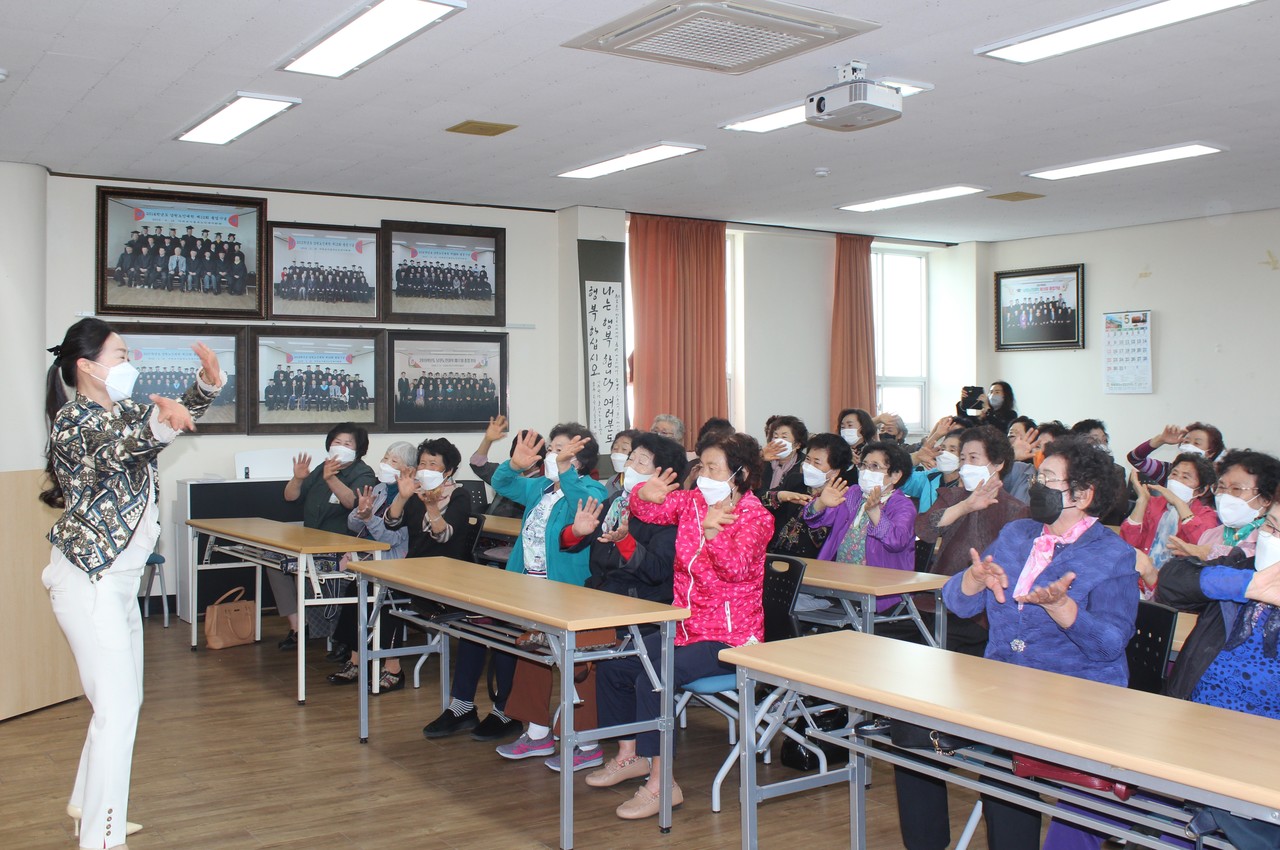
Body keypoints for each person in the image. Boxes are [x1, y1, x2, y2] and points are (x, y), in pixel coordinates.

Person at [40, 318, 225, 848]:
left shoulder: (118, 413)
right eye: (120, 355)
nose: (128, 364)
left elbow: (159, 422)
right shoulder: (75, 420)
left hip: (117, 582)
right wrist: (160, 427)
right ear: (87, 365)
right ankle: (102, 836)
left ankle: (86, 801)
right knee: (118, 709)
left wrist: (207, 385)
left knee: (120, 703)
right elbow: (120, 447)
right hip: (90, 579)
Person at [913, 435, 1138, 850]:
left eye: (1049, 479)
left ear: (1083, 495)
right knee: (909, 726)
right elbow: (958, 605)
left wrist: (1067, 612)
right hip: (1005, 687)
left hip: (1074, 698)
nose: (1036, 485)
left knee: (1013, 767)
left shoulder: (1113, 555)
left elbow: (1110, 645)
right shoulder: (1019, 534)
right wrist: (972, 579)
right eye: (1036, 475)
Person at [589, 432, 772, 820]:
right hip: (687, 628)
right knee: (615, 664)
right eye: (701, 465)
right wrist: (642, 494)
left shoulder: (756, 516)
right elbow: (649, 512)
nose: (702, 474)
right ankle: (630, 756)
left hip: (730, 639)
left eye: (712, 467)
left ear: (739, 474)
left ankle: (662, 784)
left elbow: (736, 570)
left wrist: (713, 534)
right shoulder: (692, 503)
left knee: (653, 676)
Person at [504, 433, 688, 773]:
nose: (629, 465)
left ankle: (585, 743)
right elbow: (578, 544)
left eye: (640, 462)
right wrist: (577, 531)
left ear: (666, 476)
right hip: (598, 596)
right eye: (630, 458)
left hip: (639, 607)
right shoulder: (618, 499)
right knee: (535, 631)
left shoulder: (673, 517)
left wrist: (627, 540)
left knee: (580, 644)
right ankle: (537, 730)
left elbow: (656, 572)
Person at [477, 424, 606, 760]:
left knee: (577, 666)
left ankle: (586, 743)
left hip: (570, 590)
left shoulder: (592, 488)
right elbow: (503, 483)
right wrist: (515, 465)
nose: (552, 453)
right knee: (532, 653)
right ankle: (537, 733)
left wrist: (565, 471)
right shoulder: (540, 488)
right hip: (530, 585)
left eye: (561, 449)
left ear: (578, 458)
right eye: (552, 448)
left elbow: (585, 506)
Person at [914, 426, 1029, 654]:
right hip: (940, 598)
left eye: (973, 458)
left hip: (985, 609)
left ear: (997, 464)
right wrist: (965, 506)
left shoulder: (1017, 510)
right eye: (963, 459)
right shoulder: (954, 497)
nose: (966, 466)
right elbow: (924, 529)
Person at [270, 423, 377, 650]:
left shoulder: (363, 473)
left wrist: (332, 479)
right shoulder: (322, 467)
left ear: (359, 449)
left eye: (347, 443)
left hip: (340, 544)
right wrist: (298, 479)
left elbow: (353, 503)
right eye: (336, 442)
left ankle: (338, 636)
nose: (340, 446)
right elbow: (290, 497)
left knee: (308, 567)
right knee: (272, 559)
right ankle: (298, 626)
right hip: (309, 538)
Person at [325, 441, 417, 687]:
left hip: (395, 563)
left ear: (409, 470)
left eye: (393, 461)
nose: (385, 464)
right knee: (356, 594)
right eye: (386, 458)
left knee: (385, 599)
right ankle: (356, 661)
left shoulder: (411, 498)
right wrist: (361, 514)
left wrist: (370, 520)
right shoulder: (379, 489)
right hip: (369, 561)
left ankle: (393, 669)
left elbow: (391, 539)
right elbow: (354, 525)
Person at [798, 440, 916, 612]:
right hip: (838, 583)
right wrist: (821, 503)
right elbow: (814, 520)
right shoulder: (853, 493)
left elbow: (896, 542)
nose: (867, 472)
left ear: (896, 475)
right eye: (864, 465)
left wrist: (875, 512)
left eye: (875, 467)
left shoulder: (902, 505)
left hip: (881, 592)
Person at [1120, 454, 1218, 597]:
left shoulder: (1206, 515)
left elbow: (1201, 548)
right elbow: (1127, 544)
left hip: (1173, 590)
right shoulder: (1153, 503)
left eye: (1185, 477)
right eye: (1174, 474)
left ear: (1201, 490)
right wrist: (1142, 502)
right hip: (1136, 582)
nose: (1176, 480)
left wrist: (1178, 503)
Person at [1164, 449, 1280, 565]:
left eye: (1236, 489)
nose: (1225, 495)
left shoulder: (1270, 540)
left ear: (1266, 498)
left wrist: (1210, 553)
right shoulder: (1210, 535)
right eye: (1221, 487)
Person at [766, 432, 851, 558]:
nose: (809, 466)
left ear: (834, 472)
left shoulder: (840, 498)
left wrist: (820, 505)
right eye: (807, 459)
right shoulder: (795, 480)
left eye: (817, 462)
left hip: (810, 563)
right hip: (774, 554)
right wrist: (780, 496)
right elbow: (760, 501)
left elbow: (820, 539)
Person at [469, 414, 544, 518]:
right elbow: (477, 464)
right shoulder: (504, 473)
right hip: (490, 528)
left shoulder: (541, 481)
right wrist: (487, 440)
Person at [1126, 422, 1225, 486]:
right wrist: (1161, 439)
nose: (1189, 445)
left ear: (1211, 453)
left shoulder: (1217, 481)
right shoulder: (1168, 471)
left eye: (1197, 443)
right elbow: (1135, 459)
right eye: (1186, 441)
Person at [603, 428, 643, 498]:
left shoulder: (643, 482)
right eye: (615, 448)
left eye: (624, 449)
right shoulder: (612, 481)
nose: (618, 452)